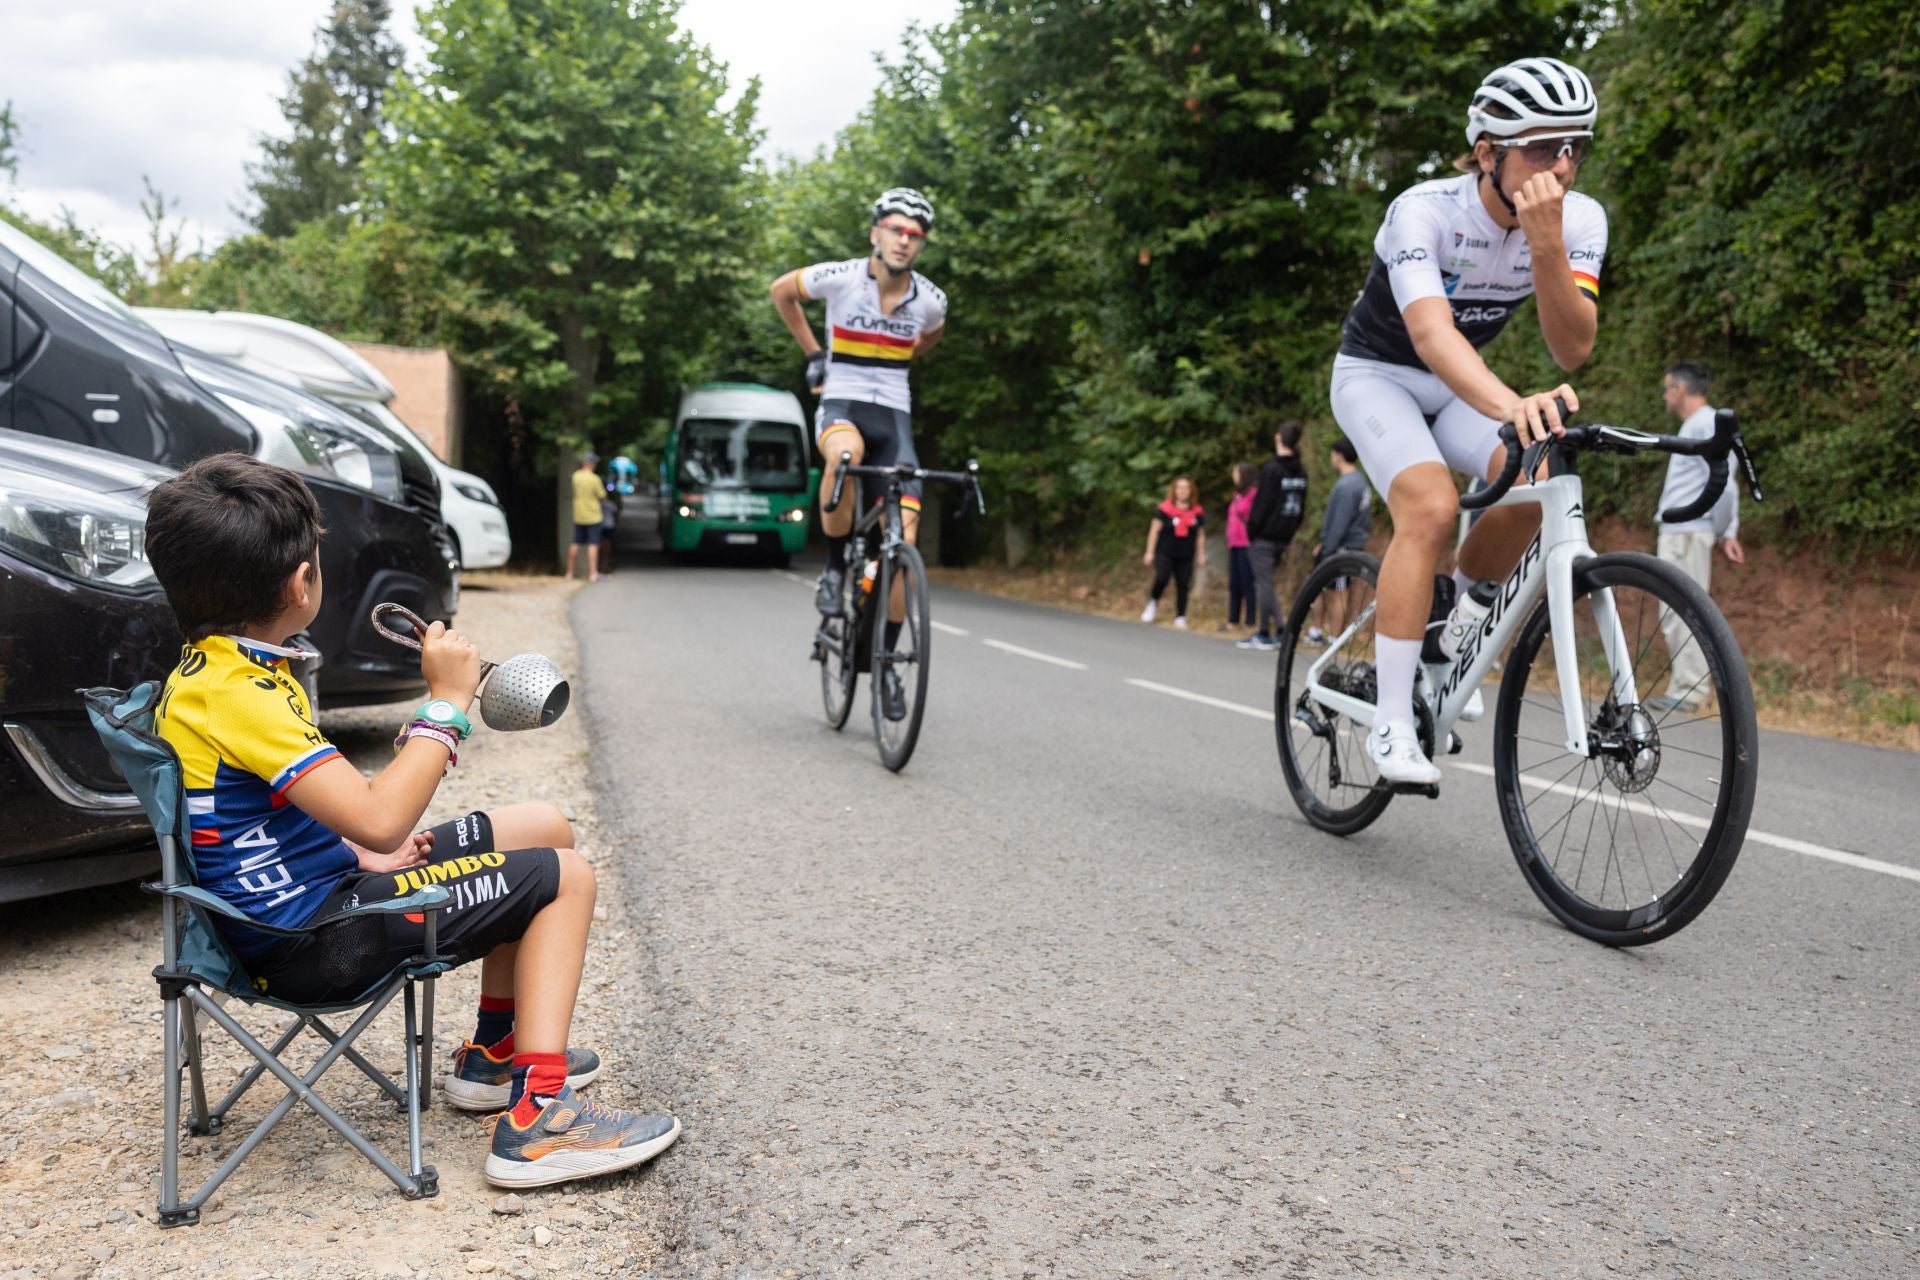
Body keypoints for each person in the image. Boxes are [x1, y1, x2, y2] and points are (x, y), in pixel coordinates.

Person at [144, 454, 679, 1189]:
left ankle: (495, 1055)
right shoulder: (248, 695)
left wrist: (349, 851)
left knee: (544, 826)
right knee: (568, 879)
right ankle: (540, 1120)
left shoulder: (212, 674)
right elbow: (384, 819)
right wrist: (445, 705)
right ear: (303, 585)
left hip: (304, 901)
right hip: (312, 941)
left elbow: (252, 815)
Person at [1328, 56, 1607, 783]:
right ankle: (1390, 722)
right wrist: (1511, 405)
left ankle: (1454, 624)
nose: (1563, 166)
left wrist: (1546, 244)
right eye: (1542, 148)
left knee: (1541, 471)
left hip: (1457, 387)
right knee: (1430, 505)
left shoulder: (1580, 222)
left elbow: (1572, 347)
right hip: (1379, 375)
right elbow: (1430, 336)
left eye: (1575, 146)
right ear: (1488, 153)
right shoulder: (1424, 210)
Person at [769, 187, 947, 720]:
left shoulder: (931, 299)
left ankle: (887, 663)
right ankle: (831, 568)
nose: (904, 241)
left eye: (915, 235)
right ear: (876, 232)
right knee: (843, 455)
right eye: (895, 230)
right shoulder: (841, 276)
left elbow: (931, 336)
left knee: (902, 547)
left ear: (921, 245)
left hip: (894, 416)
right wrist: (815, 355)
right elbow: (782, 292)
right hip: (842, 401)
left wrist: (902, 355)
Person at [1650, 360, 1744, 712]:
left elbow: (1726, 483)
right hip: (1683, 530)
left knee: (1684, 610)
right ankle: (1686, 687)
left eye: (1666, 389)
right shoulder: (1697, 423)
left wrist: (1722, 532)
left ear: (1679, 389)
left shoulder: (1705, 423)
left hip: (1690, 531)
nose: (1664, 397)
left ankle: (1689, 691)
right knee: (1674, 611)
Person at [1238, 421, 1309, 651]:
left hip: (1266, 536)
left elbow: (1262, 504)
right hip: (1285, 536)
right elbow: (1302, 506)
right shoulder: (1301, 471)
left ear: (1278, 438)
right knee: (1266, 582)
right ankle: (1280, 629)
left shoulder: (1272, 469)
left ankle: (1264, 632)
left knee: (1263, 584)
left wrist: (1252, 530)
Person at [1305, 438, 1372, 646]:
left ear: (1339, 456)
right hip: (1342, 545)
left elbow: (1340, 524)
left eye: (1333, 454)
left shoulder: (1346, 486)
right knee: (1324, 589)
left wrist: (1328, 547)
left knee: (1338, 594)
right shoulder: (1359, 482)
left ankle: (1335, 637)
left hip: (1342, 548)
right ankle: (1316, 631)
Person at [1140, 476, 1206, 629]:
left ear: (1191, 491)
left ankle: (1180, 616)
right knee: (1162, 577)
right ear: (1174, 491)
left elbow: (1201, 535)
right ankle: (1153, 603)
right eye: (1179, 488)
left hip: (1186, 554)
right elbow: (1154, 531)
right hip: (1166, 551)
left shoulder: (1197, 512)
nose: (1183, 491)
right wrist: (1149, 552)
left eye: (1186, 488)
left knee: (1183, 583)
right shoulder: (1164, 509)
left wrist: (1201, 555)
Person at [1225, 462, 1259, 631]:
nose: (1233, 476)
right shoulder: (1237, 495)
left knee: (1247, 582)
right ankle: (1233, 619)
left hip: (1247, 543)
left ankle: (1250, 620)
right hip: (1234, 543)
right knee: (1234, 583)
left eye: (1236, 473)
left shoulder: (1253, 495)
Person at [565, 451, 604, 584]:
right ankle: (593, 574)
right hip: (593, 516)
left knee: (575, 542)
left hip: (578, 515)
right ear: (591, 463)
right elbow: (602, 496)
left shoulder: (575, 476)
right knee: (593, 544)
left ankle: (569, 573)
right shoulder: (595, 479)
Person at [598, 483, 621, 576]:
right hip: (609, 525)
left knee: (598, 543)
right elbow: (616, 513)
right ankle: (606, 560)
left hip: (599, 525)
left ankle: (600, 560)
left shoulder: (598, 504)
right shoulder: (611, 504)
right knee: (608, 543)